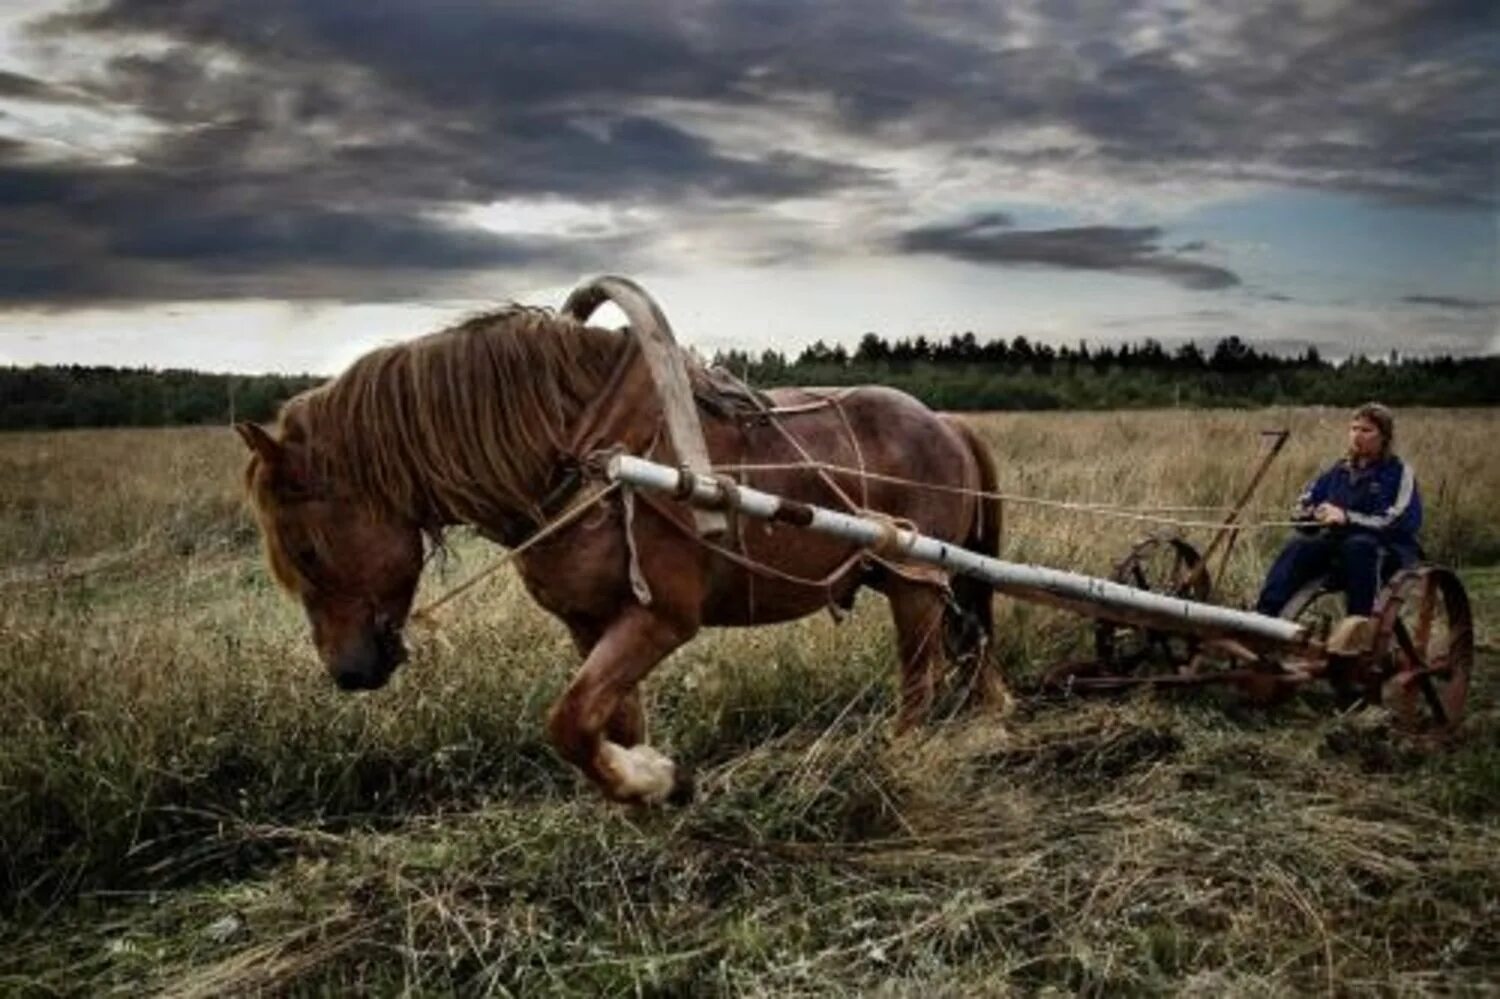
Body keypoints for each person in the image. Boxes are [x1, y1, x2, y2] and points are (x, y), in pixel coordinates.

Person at [1256, 403, 1422, 619]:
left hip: (1387, 551)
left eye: (1366, 430)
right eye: (1354, 429)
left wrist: (1347, 517)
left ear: (1384, 437)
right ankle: (1263, 616)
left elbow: (1399, 520)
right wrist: (1309, 514)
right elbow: (1305, 502)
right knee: (1298, 545)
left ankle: (1359, 625)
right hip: (1338, 546)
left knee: (1359, 546)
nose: (1357, 435)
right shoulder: (1338, 469)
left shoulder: (1399, 473)